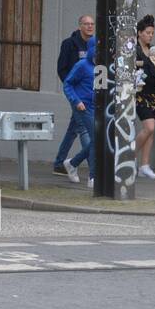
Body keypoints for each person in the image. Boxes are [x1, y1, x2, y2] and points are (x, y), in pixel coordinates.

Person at [53, 14, 94, 175]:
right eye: (86, 24)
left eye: (92, 24)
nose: (90, 26)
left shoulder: (94, 45)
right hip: (76, 94)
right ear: (79, 26)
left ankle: (59, 163)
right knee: (84, 129)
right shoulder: (69, 44)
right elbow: (61, 68)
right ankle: (93, 169)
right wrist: (71, 88)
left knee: (74, 128)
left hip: (88, 92)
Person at [61, 35, 97, 185]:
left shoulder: (102, 67)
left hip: (96, 107)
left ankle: (72, 163)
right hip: (83, 107)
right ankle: (93, 177)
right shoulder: (82, 65)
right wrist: (76, 101)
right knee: (96, 139)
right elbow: (67, 84)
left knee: (97, 140)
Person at [134, 15, 155, 180]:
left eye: (152, 33)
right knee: (149, 128)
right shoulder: (134, 50)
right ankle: (128, 156)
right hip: (141, 95)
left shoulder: (153, 51)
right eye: (147, 32)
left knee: (151, 131)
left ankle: (144, 165)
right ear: (139, 33)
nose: (150, 36)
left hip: (154, 94)